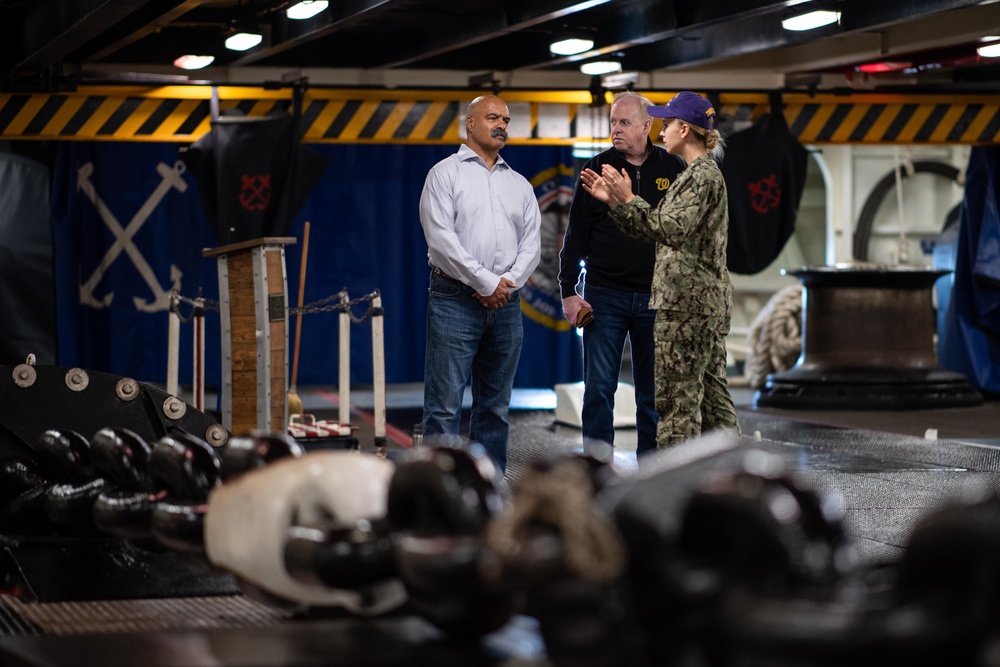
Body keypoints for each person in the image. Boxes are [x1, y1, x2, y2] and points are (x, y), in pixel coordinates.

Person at [580, 91, 740, 448]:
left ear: (684, 130)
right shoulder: (696, 175)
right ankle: (734, 476)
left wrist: (628, 199)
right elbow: (658, 227)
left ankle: (670, 490)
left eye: (667, 125)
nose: (662, 132)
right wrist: (618, 203)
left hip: (687, 308)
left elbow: (668, 228)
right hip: (697, 306)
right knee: (714, 403)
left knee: (676, 405)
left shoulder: (699, 177)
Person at [418, 94, 542, 474]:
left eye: (505, 119)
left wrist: (506, 284)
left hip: (506, 304)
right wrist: (488, 282)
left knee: (495, 407)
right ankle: (439, 493)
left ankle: (490, 489)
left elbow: (533, 243)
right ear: (469, 123)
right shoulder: (444, 174)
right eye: (492, 117)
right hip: (454, 300)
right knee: (444, 408)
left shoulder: (519, 184)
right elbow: (442, 241)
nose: (502, 125)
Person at [558, 91, 684, 456]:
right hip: (605, 296)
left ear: (647, 126)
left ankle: (651, 478)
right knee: (598, 392)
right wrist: (568, 290)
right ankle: (597, 474)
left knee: (653, 396)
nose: (616, 129)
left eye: (624, 123)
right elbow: (575, 236)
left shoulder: (672, 169)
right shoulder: (596, 169)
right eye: (613, 122)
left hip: (655, 298)